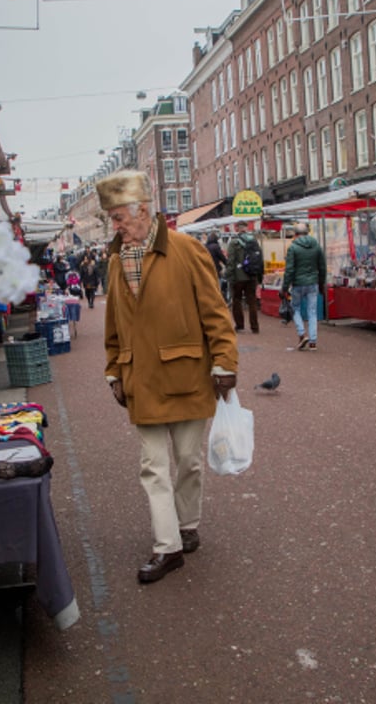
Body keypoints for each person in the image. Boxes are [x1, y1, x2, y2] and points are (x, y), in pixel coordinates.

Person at [97, 170, 238, 584]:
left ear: (143, 210)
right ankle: (167, 547)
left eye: (119, 217)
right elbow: (113, 326)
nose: (116, 226)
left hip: (189, 376)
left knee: (189, 462)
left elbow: (215, 311)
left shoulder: (187, 249)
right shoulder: (115, 261)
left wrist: (225, 362)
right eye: (111, 219)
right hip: (140, 381)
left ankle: (188, 524)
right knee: (153, 467)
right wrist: (113, 371)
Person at [280, 222, 327, 351]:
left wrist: (284, 287)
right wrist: (322, 283)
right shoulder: (316, 246)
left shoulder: (293, 248)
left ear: (295, 234)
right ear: (307, 233)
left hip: (298, 283)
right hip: (313, 282)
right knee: (312, 312)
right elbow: (322, 267)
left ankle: (302, 334)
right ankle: (313, 341)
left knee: (296, 308)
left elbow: (289, 270)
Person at [225, 221, 262, 334]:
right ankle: (254, 327)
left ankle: (240, 325)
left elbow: (231, 261)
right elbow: (259, 260)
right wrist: (259, 277)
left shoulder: (234, 243)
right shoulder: (254, 241)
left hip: (238, 277)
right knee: (252, 301)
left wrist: (229, 275)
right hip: (251, 276)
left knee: (237, 300)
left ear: (237, 229)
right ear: (246, 228)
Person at [205, 231, 228, 298]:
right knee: (217, 289)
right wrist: (227, 264)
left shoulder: (205, 246)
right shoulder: (216, 246)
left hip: (207, 270)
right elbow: (222, 258)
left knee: (210, 289)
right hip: (216, 270)